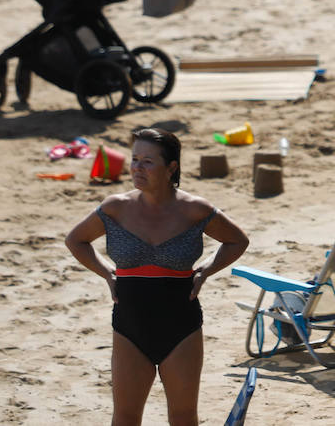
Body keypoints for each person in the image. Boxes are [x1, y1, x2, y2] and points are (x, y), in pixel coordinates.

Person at [65, 128, 248, 426]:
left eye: (148, 161)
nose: (137, 167)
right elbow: (76, 240)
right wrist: (107, 274)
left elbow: (238, 240)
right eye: (135, 159)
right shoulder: (116, 208)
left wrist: (205, 271)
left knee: (184, 417)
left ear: (171, 167)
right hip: (129, 327)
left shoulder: (194, 210)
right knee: (125, 418)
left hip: (182, 327)